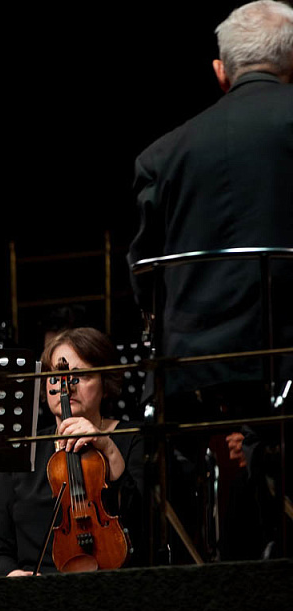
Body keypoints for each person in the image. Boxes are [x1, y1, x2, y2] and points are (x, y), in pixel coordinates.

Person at [127, 0, 293, 560]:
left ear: (221, 72)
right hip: (286, 355)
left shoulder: (162, 154)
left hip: (194, 369)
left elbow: (145, 277)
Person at [0, 328, 144, 576]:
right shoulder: (19, 450)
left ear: (105, 383)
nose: (67, 387)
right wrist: (12, 575)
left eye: (81, 376)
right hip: (36, 590)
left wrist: (108, 448)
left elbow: (146, 526)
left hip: (113, 581)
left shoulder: (132, 439)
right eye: (56, 377)